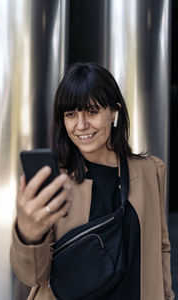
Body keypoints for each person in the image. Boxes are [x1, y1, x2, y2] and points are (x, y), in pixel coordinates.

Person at [10, 62, 174, 300]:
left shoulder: (150, 171)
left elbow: (161, 248)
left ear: (114, 111)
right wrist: (29, 235)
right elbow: (33, 276)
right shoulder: (55, 181)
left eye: (92, 111)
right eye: (70, 114)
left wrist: (167, 295)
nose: (81, 125)